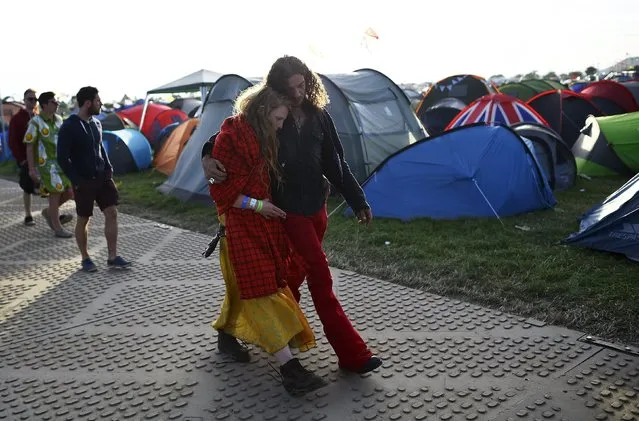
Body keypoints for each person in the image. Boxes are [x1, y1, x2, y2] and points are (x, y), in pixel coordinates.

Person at [202, 56, 382, 374]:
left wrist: (359, 201)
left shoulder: (319, 117)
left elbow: (336, 163)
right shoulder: (268, 116)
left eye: (302, 84)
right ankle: (352, 354)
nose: (298, 93)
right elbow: (226, 138)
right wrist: (206, 155)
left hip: (316, 211)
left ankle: (253, 334)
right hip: (286, 214)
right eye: (291, 87)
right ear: (276, 89)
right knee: (320, 278)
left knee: (285, 282)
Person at [208, 83, 327, 397]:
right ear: (261, 112)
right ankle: (289, 369)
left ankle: (225, 335)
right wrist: (259, 205)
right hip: (237, 225)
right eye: (277, 119)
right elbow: (221, 192)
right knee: (259, 291)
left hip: (263, 225)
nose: (280, 125)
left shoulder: (264, 135)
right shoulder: (231, 138)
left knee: (241, 287)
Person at [57, 86, 131, 272]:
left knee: (112, 212)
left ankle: (113, 257)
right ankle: (85, 258)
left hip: (102, 177)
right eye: (98, 101)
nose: (101, 103)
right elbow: (62, 158)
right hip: (83, 180)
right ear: (88, 103)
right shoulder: (69, 126)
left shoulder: (96, 123)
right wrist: (75, 180)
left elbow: (100, 147)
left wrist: (108, 167)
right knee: (84, 218)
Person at [23, 92, 74, 237]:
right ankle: (57, 227)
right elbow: (29, 145)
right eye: (53, 102)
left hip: (61, 162)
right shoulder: (35, 122)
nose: (57, 104)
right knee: (56, 192)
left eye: (57, 101)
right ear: (44, 104)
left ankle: (49, 212)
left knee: (69, 192)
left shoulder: (59, 119)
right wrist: (32, 169)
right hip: (46, 165)